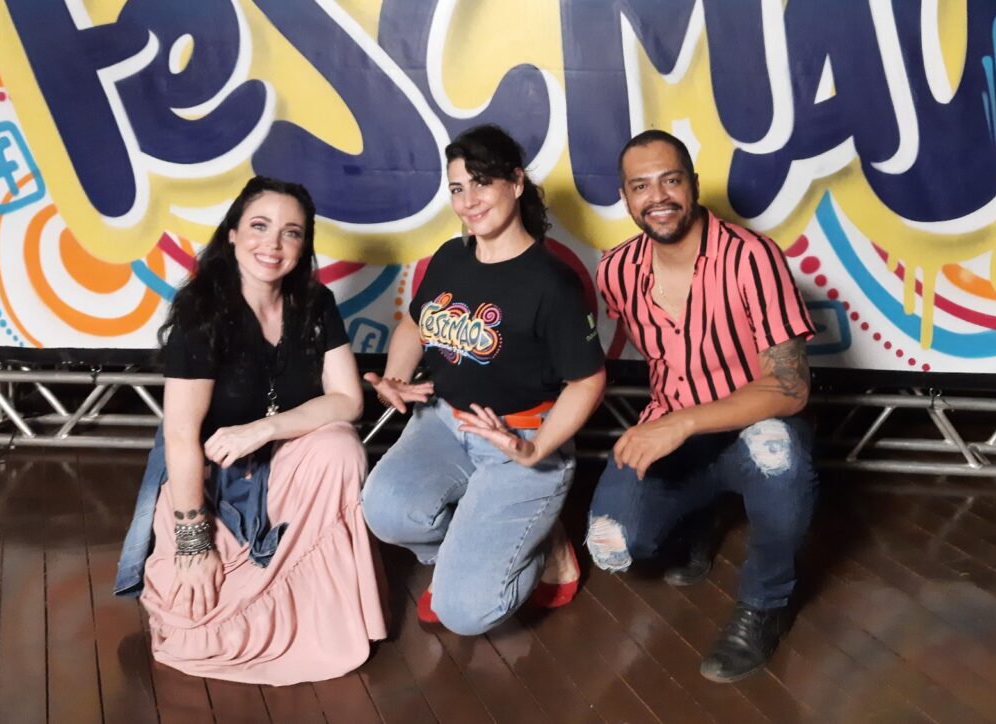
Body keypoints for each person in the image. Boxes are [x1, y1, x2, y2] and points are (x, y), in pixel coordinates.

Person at [114, 176, 386, 685]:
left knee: (340, 448)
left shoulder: (315, 303)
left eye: (291, 233)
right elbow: (180, 437)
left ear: (303, 245)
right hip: (211, 479)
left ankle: (317, 611)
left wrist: (264, 429)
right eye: (259, 226)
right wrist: (194, 544)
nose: (273, 244)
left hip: (286, 464)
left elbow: (348, 400)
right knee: (193, 630)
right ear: (233, 234)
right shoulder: (202, 312)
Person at [586, 130, 817, 683]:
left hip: (752, 427)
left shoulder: (752, 257)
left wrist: (683, 421)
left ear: (692, 184)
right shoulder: (615, 270)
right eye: (641, 186)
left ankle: (765, 604)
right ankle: (701, 513)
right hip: (676, 433)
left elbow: (791, 388)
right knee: (613, 542)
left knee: (778, 456)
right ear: (625, 197)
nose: (657, 197)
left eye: (670, 180)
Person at [361, 125, 606, 635]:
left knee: (464, 613)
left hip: (520, 438)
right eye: (457, 188)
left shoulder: (552, 283)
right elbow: (414, 324)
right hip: (444, 423)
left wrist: (536, 450)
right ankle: (477, 548)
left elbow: (588, 381)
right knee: (385, 511)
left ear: (515, 183)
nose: (468, 201)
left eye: (482, 182)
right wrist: (397, 377)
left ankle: (541, 545)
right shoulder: (451, 258)